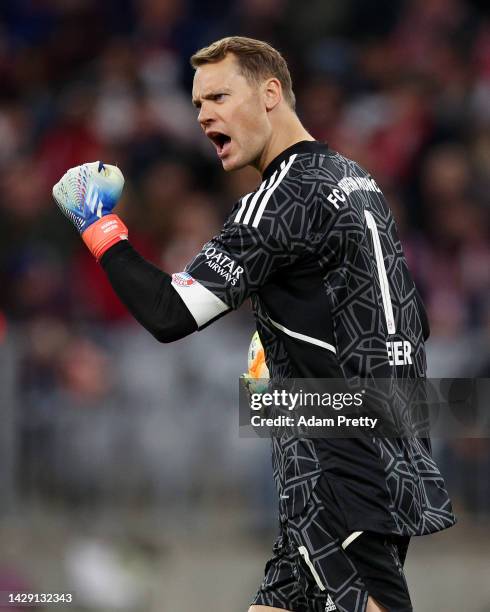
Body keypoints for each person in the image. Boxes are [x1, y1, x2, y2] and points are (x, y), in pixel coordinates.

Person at [53, 36, 456, 612]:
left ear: (271, 94)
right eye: (196, 104)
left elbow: (171, 314)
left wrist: (98, 226)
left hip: (339, 464)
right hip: (381, 440)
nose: (204, 114)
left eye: (219, 95)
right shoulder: (354, 180)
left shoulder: (280, 198)